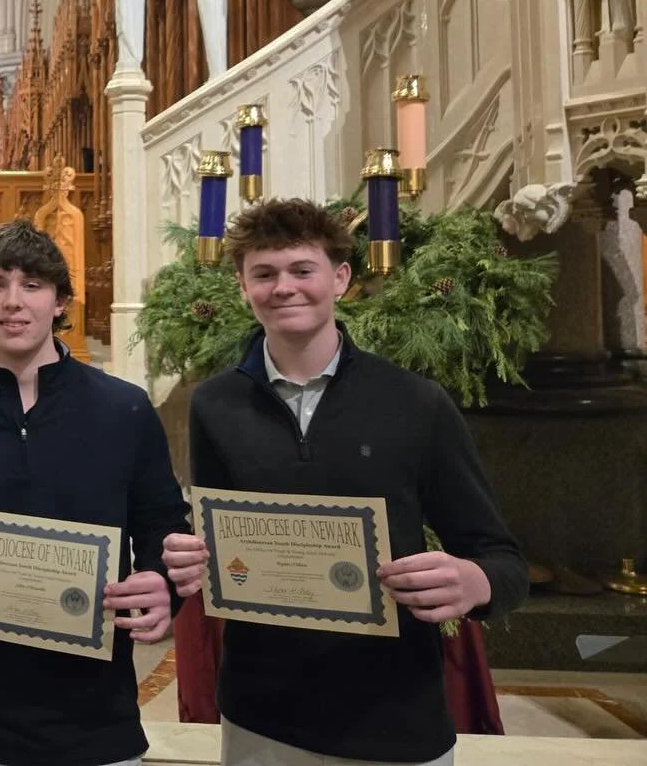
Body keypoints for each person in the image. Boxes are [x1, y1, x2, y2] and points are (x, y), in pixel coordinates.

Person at [162, 199, 528, 766]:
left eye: (301, 270)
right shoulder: (215, 405)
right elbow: (216, 543)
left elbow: (501, 559)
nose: (284, 287)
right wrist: (190, 558)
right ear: (242, 287)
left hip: (394, 712)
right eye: (264, 273)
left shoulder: (414, 402)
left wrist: (474, 581)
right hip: (263, 714)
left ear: (340, 278)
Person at [0, 219, 191, 766]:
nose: (13, 301)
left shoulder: (123, 410)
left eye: (32, 285)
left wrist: (161, 586)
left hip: (96, 714)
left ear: (60, 301)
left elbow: (163, 526)